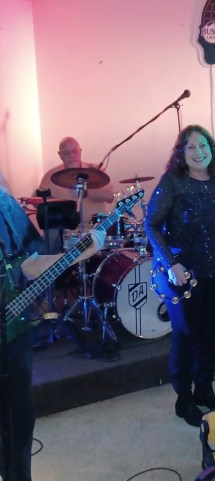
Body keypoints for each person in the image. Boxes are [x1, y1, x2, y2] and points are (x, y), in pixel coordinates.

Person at [0, 171, 105, 481]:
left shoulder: (6, 205)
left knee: (19, 420)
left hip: (13, 332)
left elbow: (29, 266)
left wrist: (75, 254)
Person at [144, 125, 215, 427]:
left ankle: (204, 390)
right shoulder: (173, 182)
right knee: (186, 337)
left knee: (208, 335)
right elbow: (151, 225)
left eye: (203, 146)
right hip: (182, 274)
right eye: (191, 147)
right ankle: (183, 399)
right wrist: (171, 263)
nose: (198, 152)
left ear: (212, 149)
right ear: (181, 153)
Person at [38, 137, 115, 251]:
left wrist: (86, 191)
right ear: (60, 155)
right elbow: (39, 202)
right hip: (65, 235)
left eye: (74, 151)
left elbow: (110, 197)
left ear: (80, 151)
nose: (71, 156)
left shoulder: (95, 171)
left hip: (96, 230)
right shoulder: (50, 176)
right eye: (66, 153)